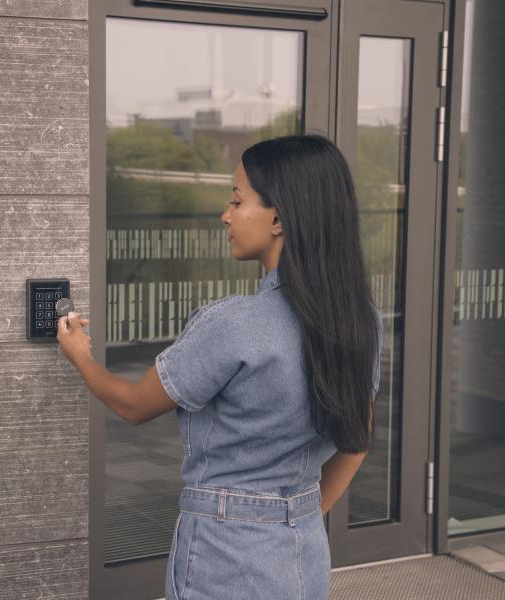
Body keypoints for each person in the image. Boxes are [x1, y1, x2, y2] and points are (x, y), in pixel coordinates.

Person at [56, 133, 383, 600]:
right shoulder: (360, 319)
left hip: (224, 556)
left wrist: (79, 354)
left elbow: (132, 405)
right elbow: (356, 443)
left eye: (236, 200)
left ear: (278, 218)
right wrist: (296, 512)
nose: (225, 215)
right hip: (304, 552)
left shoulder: (234, 324)